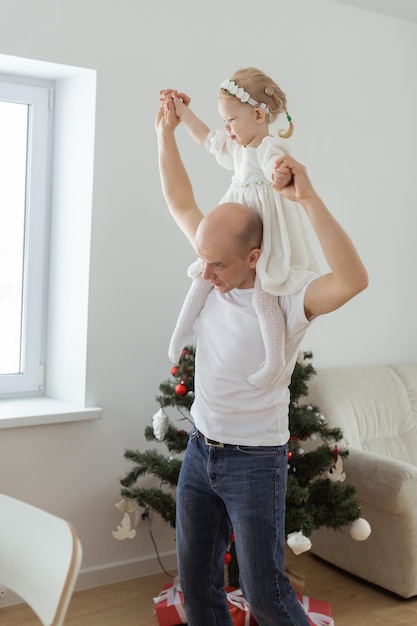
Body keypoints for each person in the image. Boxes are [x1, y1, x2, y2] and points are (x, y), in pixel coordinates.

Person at [155, 97, 368, 626]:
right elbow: (181, 202)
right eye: (203, 260)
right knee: (199, 590)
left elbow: (352, 281)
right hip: (201, 452)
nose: (205, 273)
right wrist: (166, 133)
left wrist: (309, 198)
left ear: (253, 258)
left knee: (266, 591)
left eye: (218, 264)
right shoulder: (211, 271)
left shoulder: (287, 300)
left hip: (255, 462)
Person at [160, 67, 321, 388]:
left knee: (265, 296)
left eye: (231, 120)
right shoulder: (237, 148)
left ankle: (274, 360)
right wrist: (181, 113)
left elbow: (279, 169)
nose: (226, 128)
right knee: (201, 276)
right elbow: (206, 138)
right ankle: (180, 334)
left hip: (264, 231)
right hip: (233, 226)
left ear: (259, 115)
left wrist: (279, 177)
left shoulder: (268, 149)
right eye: (225, 120)